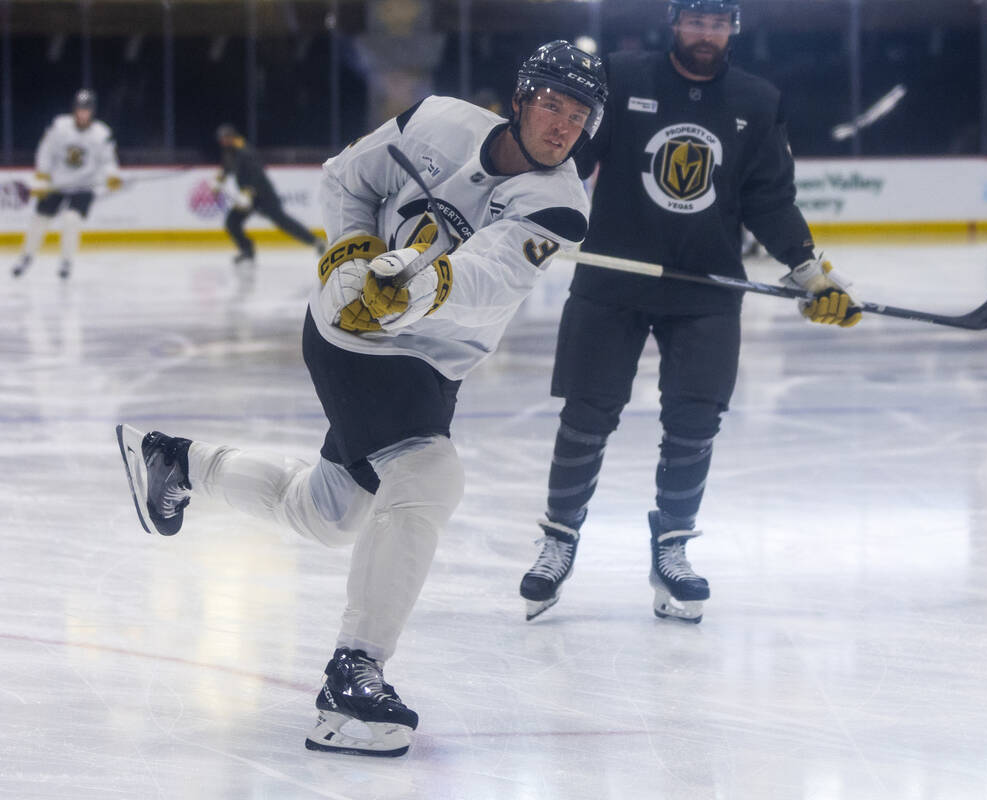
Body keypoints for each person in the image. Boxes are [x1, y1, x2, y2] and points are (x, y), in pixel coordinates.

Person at [115, 41, 607, 757]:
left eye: (580, 115)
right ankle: (353, 675)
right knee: (428, 476)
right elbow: (348, 178)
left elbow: (486, 279)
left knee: (330, 512)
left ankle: (177, 462)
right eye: (554, 104)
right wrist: (348, 253)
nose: (564, 125)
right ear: (522, 97)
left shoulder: (560, 205)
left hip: (433, 359)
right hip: (352, 331)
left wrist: (420, 287)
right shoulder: (434, 122)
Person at [519, 0, 860, 625]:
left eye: (718, 23)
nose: (706, 34)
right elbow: (572, 162)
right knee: (587, 415)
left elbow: (769, 197)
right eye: (695, 22)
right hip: (613, 277)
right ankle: (559, 539)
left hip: (706, 288)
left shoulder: (757, 101)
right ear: (673, 24)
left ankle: (672, 546)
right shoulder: (621, 78)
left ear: (733, 29)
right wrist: (523, 209)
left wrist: (808, 270)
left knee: (694, 423)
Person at [11, 89, 121, 280]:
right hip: (58, 183)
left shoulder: (101, 134)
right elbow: (45, 150)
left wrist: (112, 175)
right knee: (40, 219)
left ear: (92, 111)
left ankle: (66, 261)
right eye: (80, 109)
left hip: (84, 187)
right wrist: (43, 174)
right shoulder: (59, 127)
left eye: (87, 109)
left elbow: (108, 161)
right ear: (74, 109)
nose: (83, 113)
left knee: (71, 220)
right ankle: (26, 257)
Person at [213, 124, 325, 285]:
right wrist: (218, 183)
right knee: (232, 221)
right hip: (248, 196)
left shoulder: (244, 150)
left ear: (231, 137)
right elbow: (226, 168)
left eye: (225, 138)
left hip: (263, 194)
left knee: (282, 221)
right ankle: (247, 251)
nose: (222, 142)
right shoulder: (230, 151)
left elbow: (257, 173)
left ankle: (316, 242)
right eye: (221, 139)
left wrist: (249, 191)